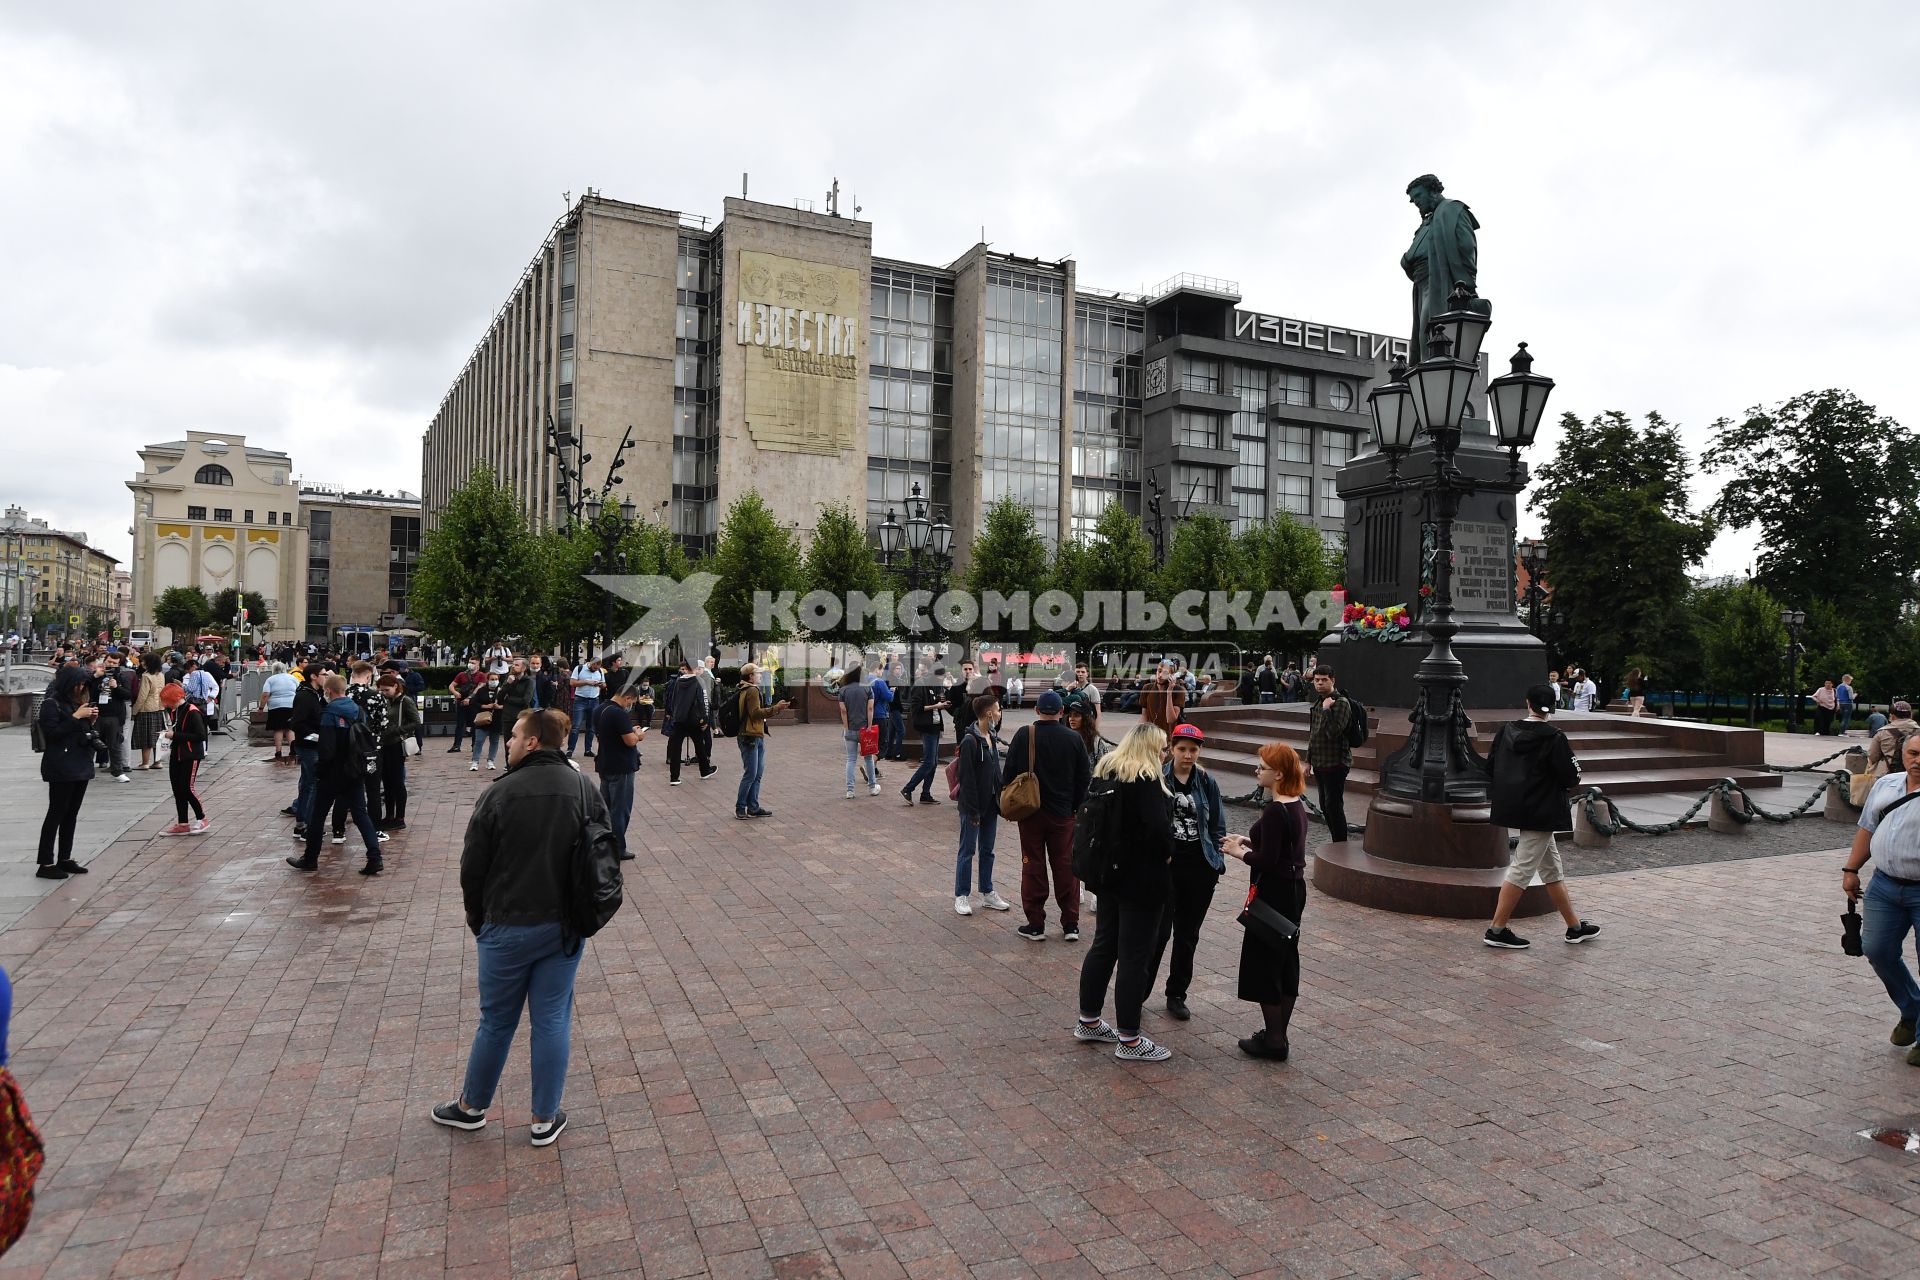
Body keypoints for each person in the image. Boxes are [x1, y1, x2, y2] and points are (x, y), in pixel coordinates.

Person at [433, 709, 608, 1146]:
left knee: (496, 1020)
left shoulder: (501, 793)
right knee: (551, 1019)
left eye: (513, 736)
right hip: (564, 925)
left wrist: (480, 921)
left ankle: (473, 1107)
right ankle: (543, 1119)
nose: (507, 742)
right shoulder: (583, 788)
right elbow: (604, 855)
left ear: (532, 743)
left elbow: (472, 868)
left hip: (507, 924)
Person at [1073, 724, 1175, 1061]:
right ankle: (1129, 1038)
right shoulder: (1144, 779)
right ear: (1148, 749)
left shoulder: (1107, 770)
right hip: (1140, 881)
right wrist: (1168, 851)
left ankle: (1088, 1019)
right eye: (1162, 748)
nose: (1166, 754)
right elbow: (1159, 831)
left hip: (1108, 876)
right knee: (1134, 956)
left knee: (1104, 945)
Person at [1482, 684, 1601, 950]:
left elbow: (1491, 766)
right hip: (1542, 810)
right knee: (1523, 868)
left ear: (1528, 703)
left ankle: (1574, 927)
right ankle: (1496, 929)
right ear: (1553, 707)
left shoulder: (1506, 730)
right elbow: (1571, 776)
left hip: (1515, 806)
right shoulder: (1554, 737)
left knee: (1551, 868)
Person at [1222, 742, 1310, 1060]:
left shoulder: (1275, 810)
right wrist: (1247, 840)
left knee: (1266, 964)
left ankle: (1273, 1040)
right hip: (1293, 890)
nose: (1257, 771)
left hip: (1273, 892)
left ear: (1279, 774)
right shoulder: (1295, 804)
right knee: (1285, 961)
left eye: (1262, 767)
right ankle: (1278, 1036)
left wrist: (1239, 852)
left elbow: (1268, 860)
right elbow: (1281, 848)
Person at [1846, 733, 1920, 1064]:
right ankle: (1912, 1009)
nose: (1918, 760)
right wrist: (1851, 869)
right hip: (1884, 886)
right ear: (1903, 754)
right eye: (1913, 753)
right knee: (1876, 949)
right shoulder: (1887, 785)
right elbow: (1867, 828)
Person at [1146, 724, 1227, 1021]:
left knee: (1187, 935)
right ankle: (1140, 990)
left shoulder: (1206, 781)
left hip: (1200, 866)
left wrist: (1216, 860)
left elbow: (1218, 823)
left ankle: (1177, 993)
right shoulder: (1158, 778)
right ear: (1172, 749)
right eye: (1182, 749)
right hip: (1167, 867)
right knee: (1159, 933)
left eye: (1194, 750)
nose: (1188, 755)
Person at [1007, 691, 1092, 942]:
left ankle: (1035, 924)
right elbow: (1083, 779)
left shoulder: (1024, 734)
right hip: (1064, 813)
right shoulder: (1074, 739)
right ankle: (1071, 923)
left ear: (1036, 710)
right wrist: (1074, 807)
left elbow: (1009, 771)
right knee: (1066, 866)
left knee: (1032, 864)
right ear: (1062, 712)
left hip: (1031, 812)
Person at [286, 673, 386, 876]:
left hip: (333, 772)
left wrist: (320, 769)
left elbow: (327, 748)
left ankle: (310, 858)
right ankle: (375, 857)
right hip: (355, 769)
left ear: (328, 691)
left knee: (318, 815)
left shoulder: (329, 712)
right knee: (360, 814)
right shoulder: (357, 710)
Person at [36, 666, 99, 879]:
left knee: (71, 814)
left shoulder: (76, 703)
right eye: (77, 684)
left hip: (80, 762)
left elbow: (78, 732)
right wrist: (76, 716)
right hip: (61, 764)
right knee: (56, 812)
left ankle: (65, 858)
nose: (80, 688)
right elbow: (52, 734)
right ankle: (45, 863)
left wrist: (89, 721)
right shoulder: (51, 704)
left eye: (83, 685)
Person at [954, 693, 1011, 916]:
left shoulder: (992, 736)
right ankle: (961, 895)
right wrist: (973, 810)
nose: (999, 713)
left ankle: (987, 892)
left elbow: (996, 771)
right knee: (967, 850)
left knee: (988, 850)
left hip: (990, 805)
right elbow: (966, 779)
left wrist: (1002, 798)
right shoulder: (970, 741)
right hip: (973, 807)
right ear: (988, 713)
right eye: (997, 709)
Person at [592, 674, 644, 859]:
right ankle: (618, 848)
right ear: (627, 697)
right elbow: (630, 741)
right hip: (621, 766)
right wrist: (638, 734)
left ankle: (603, 843)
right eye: (632, 702)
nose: (631, 706)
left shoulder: (599, 709)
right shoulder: (618, 713)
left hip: (605, 763)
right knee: (620, 809)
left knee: (606, 807)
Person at [733, 662, 789, 821]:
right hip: (750, 735)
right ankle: (741, 807)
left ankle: (753, 806)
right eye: (758, 673)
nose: (760, 675)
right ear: (750, 676)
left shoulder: (744, 688)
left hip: (753, 734)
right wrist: (776, 708)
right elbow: (755, 713)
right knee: (751, 774)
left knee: (756, 773)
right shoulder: (751, 690)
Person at [1306, 667, 1353, 844]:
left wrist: (1327, 710)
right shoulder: (1318, 702)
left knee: (1333, 805)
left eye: (1323, 679)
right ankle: (1336, 840)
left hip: (1336, 763)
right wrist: (1307, 761)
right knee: (1325, 805)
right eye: (1316, 680)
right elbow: (1314, 735)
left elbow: (1334, 732)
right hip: (1319, 762)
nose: (1319, 683)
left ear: (1332, 680)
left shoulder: (1341, 703)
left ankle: (1340, 843)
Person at [157, 682, 210, 835]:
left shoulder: (193, 711)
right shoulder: (176, 710)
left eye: (165, 700)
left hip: (190, 753)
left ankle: (202, 819)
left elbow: (200, 736)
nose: (164, 704)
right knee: (178, 789)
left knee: (187, 788)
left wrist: (175, 735)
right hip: (177, 752)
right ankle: (183, 823)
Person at [375, 671, 420, 831]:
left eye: (386, 690)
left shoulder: (405, 701)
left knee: (397, 782)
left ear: (396, 686)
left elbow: (416, 722)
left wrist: (397, 731)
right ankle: (389, 815)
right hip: (384, 745)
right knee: (386, 783)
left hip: (396, 744)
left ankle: (399, 817)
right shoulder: (385, 701)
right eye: (381, 690)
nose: (383, 693)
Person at [289, 663, 326, 839]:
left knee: (307, 784)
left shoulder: (314, 694)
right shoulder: (305, 696)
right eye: (323, 674)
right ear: (313, 676)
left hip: (310, 745)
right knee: (311, 785)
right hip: (308, 747)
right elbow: (297, 723)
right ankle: (307, 826)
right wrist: (316, 737)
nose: (325, 677)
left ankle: (302, 823)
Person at [662, 659, 714, 785]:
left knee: (676, 747)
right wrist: (705, 719)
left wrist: (674, 714)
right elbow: (702, 701)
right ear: (695, 668)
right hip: (694, 719)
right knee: (699, 745)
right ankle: (704, 770)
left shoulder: (679, 682)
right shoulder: (698, 681)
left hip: (679, 719)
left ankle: (674, 777)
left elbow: (673, 700)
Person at [900, 668, 947, 804]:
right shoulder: (920, 685)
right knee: (929, 762)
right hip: (927, 727)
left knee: (933, 762)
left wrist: (941, 704)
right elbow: (917, 708)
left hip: (935, 726)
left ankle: (925, 794)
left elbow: (936, 702)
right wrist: (936, 705)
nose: (941, 681)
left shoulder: (934, 686)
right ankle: (908, 789)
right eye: (940, 678)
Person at [838, 664, 880, 799]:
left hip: (850, 728)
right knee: (868, 758)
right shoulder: (868, 689)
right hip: (864, 728)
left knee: (850, 759)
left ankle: (850, 790)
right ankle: (872, 787)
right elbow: (870, 709)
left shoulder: (843, 690)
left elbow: (843, 711)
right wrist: (869, 726)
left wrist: (846, 727)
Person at [130, 652, 166, 771]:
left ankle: (145, 763)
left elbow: (142, 696)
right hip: (159, 707)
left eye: (144, 660)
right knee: (157, 736)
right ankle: (157, 761)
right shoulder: (161, 675)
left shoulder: (146, 676)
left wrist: (135, 710)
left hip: (146, 709)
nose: (142, 662)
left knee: (146, 737)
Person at [1867, 702, 1919, 781]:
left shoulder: (1882, 732)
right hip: (1914, 775)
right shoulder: (1918, 731)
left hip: (1886, 775)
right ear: (1910, 715)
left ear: (1892, 716)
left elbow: (1872, 756)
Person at [260, 661, 299, 760]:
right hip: (291, 705)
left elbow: (265, 695)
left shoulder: (270, 679)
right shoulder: (292, 678)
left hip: (275, 706)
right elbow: (298, 690)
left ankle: (278, 751)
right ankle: (292, 748)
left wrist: (261, 707)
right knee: (290, 728)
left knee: (278, 729)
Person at [469, 669, 505, 771]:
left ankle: (490, 761)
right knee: (479, 740)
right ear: (487, 680)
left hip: (496, 719)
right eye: (492, 679)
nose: (494, 681)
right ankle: (475, 761)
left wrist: (499, 706)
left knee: (494, 741)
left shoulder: (501, 691)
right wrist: (484, 706)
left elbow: (507, 704)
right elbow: (473, 703)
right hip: (482, 719)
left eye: (496, 679)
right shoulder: (481, 690)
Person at [1139, 662, 1186, 737]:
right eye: (1159, 671)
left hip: (1169, 737)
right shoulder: (1147, 688)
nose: (1160, 675)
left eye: (1165, 673)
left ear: (1171, 676)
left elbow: (1170, 720)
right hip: (1151, 736)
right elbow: (1144, 715)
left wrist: (1169, 692)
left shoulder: (1179, 690)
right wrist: (1141, 733)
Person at [450, 657, 485, 753]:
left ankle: (474, 745)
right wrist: (455, 692)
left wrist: (469, 698)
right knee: (460, 724)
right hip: (461, 702)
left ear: (478, 665)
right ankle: (456, 745)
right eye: (470, 662)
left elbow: (479, 688)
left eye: (473, 662)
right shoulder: (462, 674)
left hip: (474, 703)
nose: (470, 664)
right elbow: (452, 685)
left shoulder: (481, 675)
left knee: (475, 724)